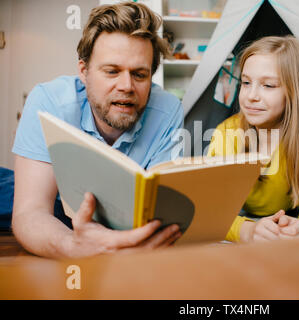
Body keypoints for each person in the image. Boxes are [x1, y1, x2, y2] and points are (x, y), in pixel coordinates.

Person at [12, 2, 184, 258]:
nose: (126, 86)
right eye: (112, 71)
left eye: (139, 74)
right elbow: (30, 212)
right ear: (84, 71)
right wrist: (72, 247)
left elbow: (159, 215)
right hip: (61, 209)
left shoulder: (168, 110)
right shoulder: (47, 101)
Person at [207, 36, 299, 243]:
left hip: (288, 217)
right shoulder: (226, 135)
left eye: (268, 85)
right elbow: (210, 211)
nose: (251, 95)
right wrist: (247, 230)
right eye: (246, 82)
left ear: (295, 93)